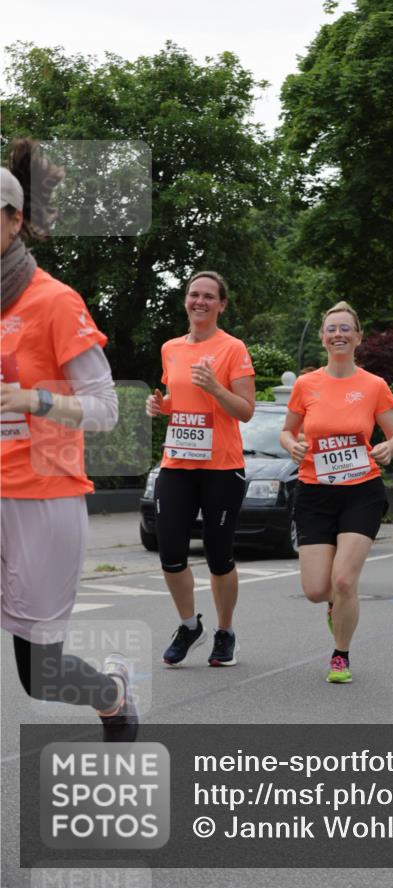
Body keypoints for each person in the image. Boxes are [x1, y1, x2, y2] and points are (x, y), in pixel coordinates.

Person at [0, 141, 135, 740]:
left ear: (15, 218)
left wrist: (38, 400)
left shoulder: (54, 301)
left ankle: (109, 694)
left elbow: (108, 409)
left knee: (41, 676)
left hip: (42, 496)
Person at [279, 301, 393, 684]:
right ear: (322, 337)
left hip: (361, 491)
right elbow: (286, 431)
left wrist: (389, 448)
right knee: (318, 589)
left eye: (346, 328)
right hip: (315, 492)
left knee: (345, 579)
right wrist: (292, 445)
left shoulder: (374, 386)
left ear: (358, 337)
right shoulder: (306, 384)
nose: (338, 334)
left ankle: (340, 654)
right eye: (332, 328)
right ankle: (335, 604)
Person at [145, 271, 255, 667]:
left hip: (221, 467)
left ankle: (225, 633)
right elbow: (178, 397)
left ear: (221, 304)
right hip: (177, 462)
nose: (200, 302)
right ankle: (190, 625)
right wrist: (162, 406)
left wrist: (216, 388)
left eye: (209, 296)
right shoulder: (171, 347)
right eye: (194, 294)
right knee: (170, 552)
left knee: (218, 555)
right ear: (186, 300)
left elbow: (244, 410)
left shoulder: (233, 348)